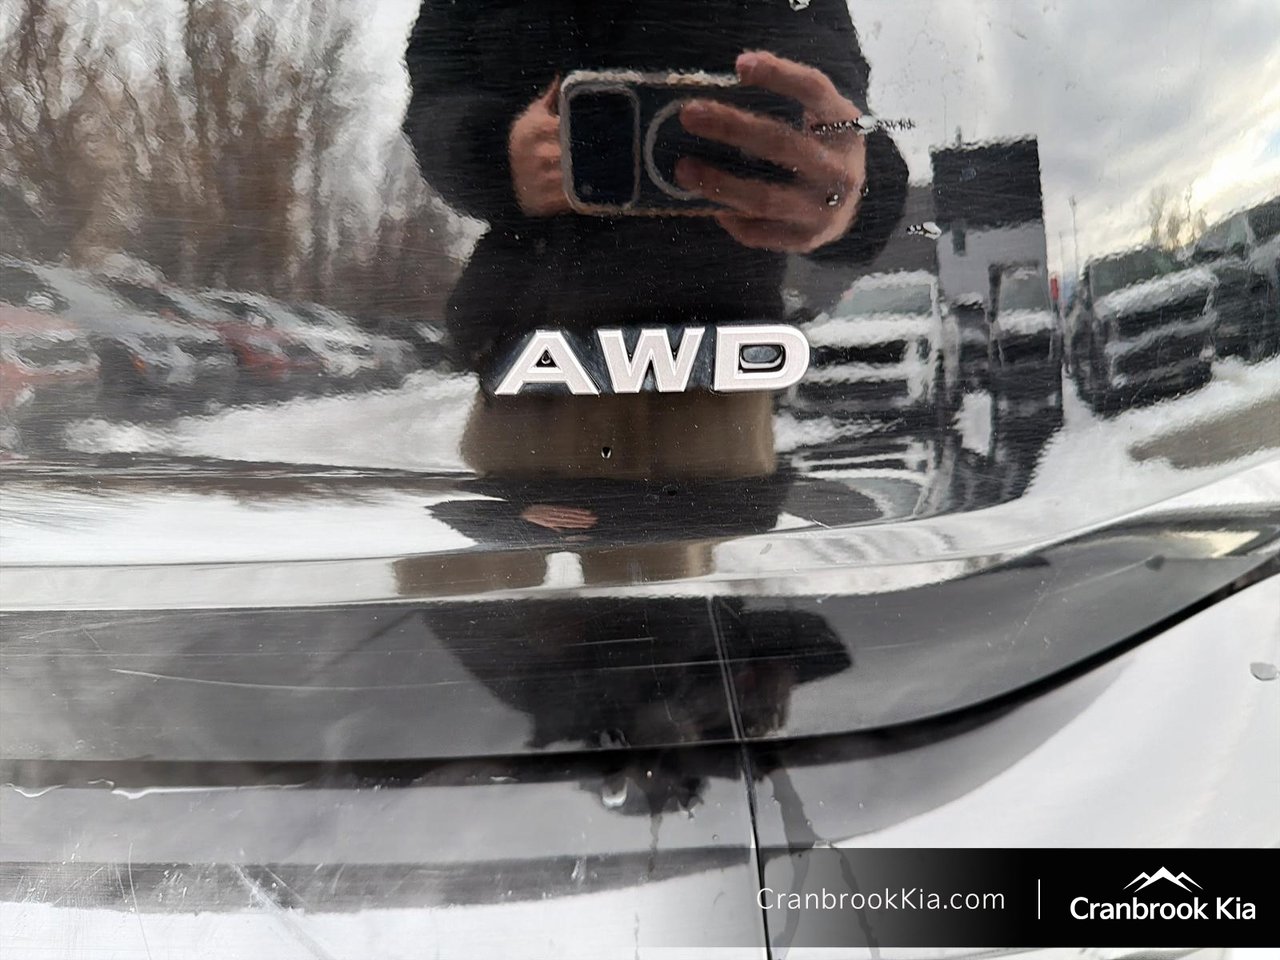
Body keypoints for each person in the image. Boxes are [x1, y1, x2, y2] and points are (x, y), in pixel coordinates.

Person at [402, 0, 908, 486]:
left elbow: (842, 120)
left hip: (705, 367)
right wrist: (497, 154)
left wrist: (850, 188)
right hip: (531, 355)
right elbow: (435, 88)